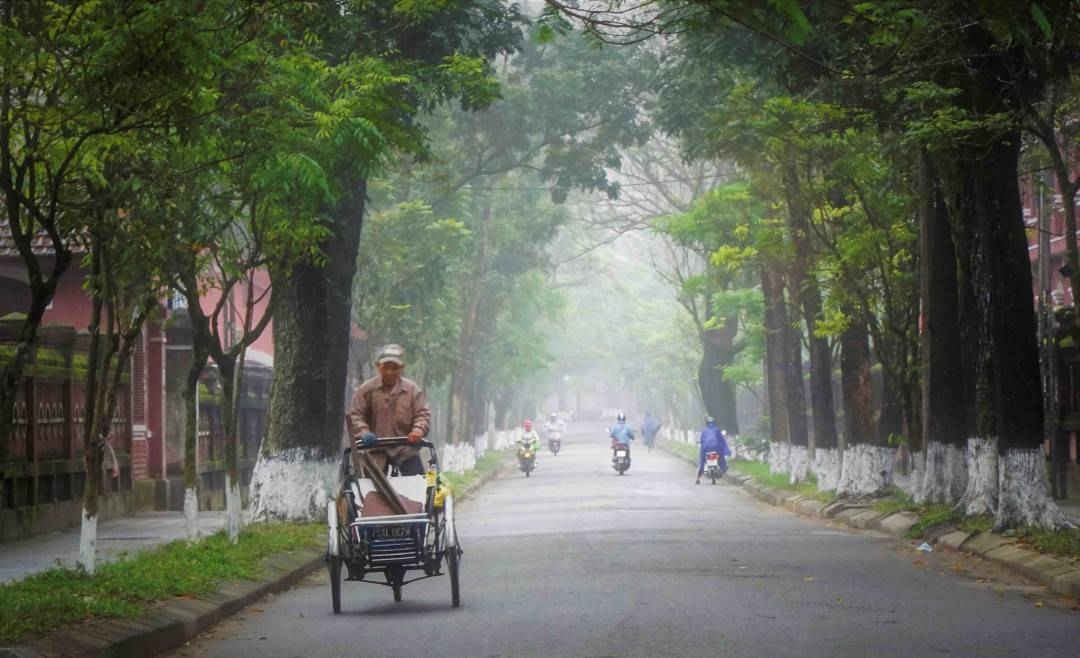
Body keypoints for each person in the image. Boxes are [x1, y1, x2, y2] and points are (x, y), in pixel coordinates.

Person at [346, 344, 431, 476]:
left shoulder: (413, 390)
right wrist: (364, 432)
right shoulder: (366, 390)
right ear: (378, 366)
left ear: (402, 368)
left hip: (405, 450)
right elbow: (356, 414)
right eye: (386, 367)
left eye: (394, 368)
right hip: (375, 450)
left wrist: (418, 429)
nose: (390, 372)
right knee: (370, 490)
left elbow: (422, 414)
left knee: (418, 487)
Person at [696, 416, 731, 484]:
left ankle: (698, 478)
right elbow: (722, 440)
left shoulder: (704, 431)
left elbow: (701, 440)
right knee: (721, 458)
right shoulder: (717, 430)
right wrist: (726, 450)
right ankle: (721, 470)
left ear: (706, 423)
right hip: (716, 449)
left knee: (702, 461)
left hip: (706, 449)